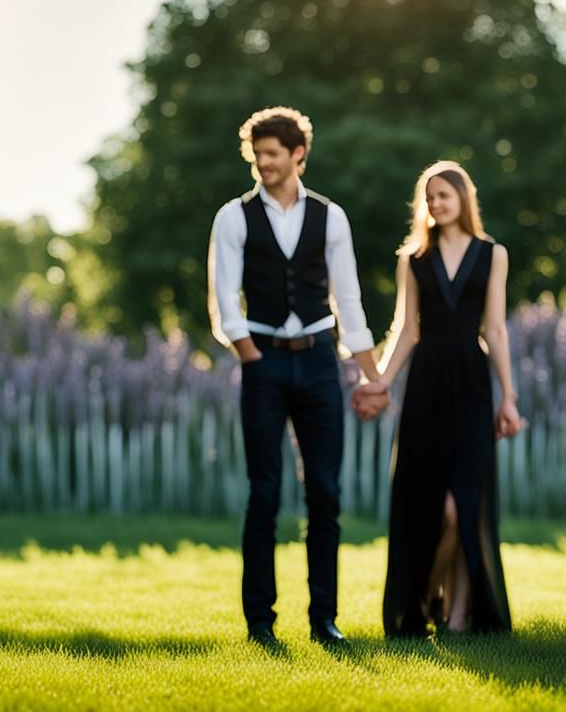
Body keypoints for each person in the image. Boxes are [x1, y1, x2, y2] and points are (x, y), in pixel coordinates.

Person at [207, 106, 385, 648]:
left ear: (298, 156)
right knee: (264, 495)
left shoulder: (331, 217)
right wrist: (248, 353)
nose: (262, 164)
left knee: (325, 494)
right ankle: (260, 623)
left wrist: (371, 374)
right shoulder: (233, 217)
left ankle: (324, 621)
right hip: (262, 360)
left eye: (272, 155)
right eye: (256, 155)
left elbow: (348, 298)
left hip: (318, 363)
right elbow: (222, 297)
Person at [356, 160, 522, 637]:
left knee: (462, 507)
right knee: (424, 504)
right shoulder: (414, 259)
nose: (435, 204)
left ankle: (456, 611)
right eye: (429, 198)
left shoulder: (494, 255)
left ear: (463, 198)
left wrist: (508, 398)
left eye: (444, 195)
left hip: (471, 385)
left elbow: (495, 328)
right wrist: (382, 381)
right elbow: (406, 329)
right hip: (426, 388)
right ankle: (429, 597)